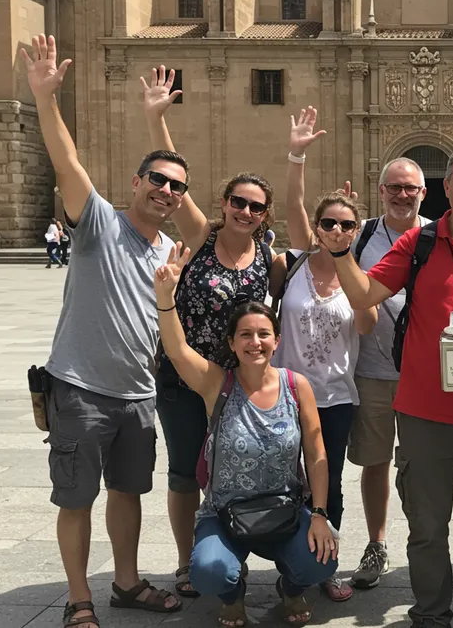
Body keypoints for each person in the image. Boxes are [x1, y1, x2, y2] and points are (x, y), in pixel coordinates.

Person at [316, 144, 453, 627]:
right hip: (422, 412)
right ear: (447, 187)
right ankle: (432, 617)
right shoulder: (416, 245)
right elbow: (363, 294)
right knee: (425, 530)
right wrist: (339, 251)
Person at [24, 34, 186, 628]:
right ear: (136, 182)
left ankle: (124, 582)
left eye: (175, 186)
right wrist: (45, 100)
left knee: (128, 494)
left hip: (139, 395)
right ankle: (78, 597)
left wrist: (158, 123)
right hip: (81, 388)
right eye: (157, 181)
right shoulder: (96, 222)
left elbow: (204, 214)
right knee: (75, 499)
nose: (166, 191)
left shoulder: (171, 248)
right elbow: (67, 161)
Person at [141, 66, 277, 599]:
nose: (245, 210)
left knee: (232, 472)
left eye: (255, 206)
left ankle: (224, 553)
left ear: (265, 216)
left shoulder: (270, 258)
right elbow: (173, 176)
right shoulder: (201, 235)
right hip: (182, 375)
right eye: (237, 201)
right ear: (223, 204)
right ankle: (184, 561)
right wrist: (157, 119)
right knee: (182, 472)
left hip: (238, 385)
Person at [154, 246, 339, 628]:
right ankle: (231, 593)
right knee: (206, 571)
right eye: (246, 335)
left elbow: (317, 454)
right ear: (232, 343)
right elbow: (176, 349)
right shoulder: (216, 383)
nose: (255, 342)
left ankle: (291, 588)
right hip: (225, 514)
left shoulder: (296, 385)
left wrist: (319, 514)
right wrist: (165, 300)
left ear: (277, 340)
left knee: (323, 560)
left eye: (263, 334)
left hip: (284, 511)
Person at [272, 108, 378, 601]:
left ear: (357, 230)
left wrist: (345, 261)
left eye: (347, 224)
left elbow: (368, 320)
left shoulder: (359, 278)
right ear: (316, 227)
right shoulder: (292, 263)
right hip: (283, 395)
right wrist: (296, 154)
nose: (337, 229)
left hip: (334, 399)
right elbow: (292, 203)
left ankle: (321, 566)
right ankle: (286, 567)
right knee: (282, 480)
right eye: (329, 223)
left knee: (327, 486)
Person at [345, 155, 432, 589]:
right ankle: (376, 543)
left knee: (421, 465)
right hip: (373, 369)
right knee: (376, 461)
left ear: (423, 192)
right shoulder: (360, 237)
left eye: (410, 188)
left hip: (425, 375)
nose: (402, 195)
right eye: (394, 187)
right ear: (381, 192)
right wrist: (297, 159)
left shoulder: (439, 235)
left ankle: (425, 543)